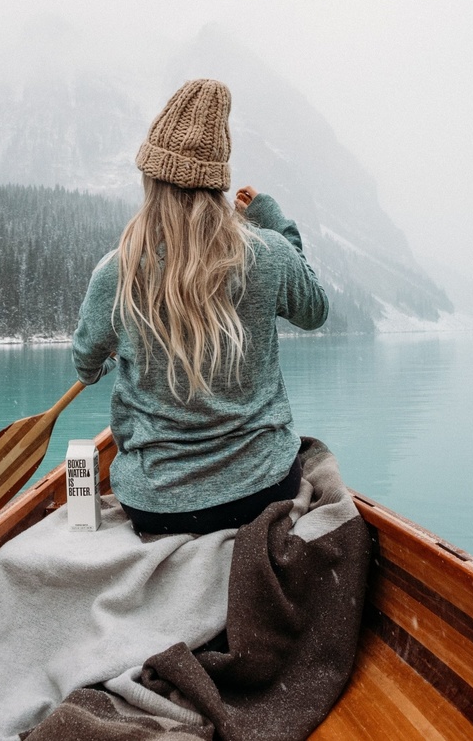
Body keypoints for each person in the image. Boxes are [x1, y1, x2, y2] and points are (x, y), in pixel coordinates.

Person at [71, 78, 329, 535]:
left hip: (156, 504)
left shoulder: (117, 272)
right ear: (216, 187)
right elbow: (315, 310)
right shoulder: (266, 253)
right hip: (263, 490)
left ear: (152, 179)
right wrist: (276, 225)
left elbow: (85, 362)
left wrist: (107, 361)